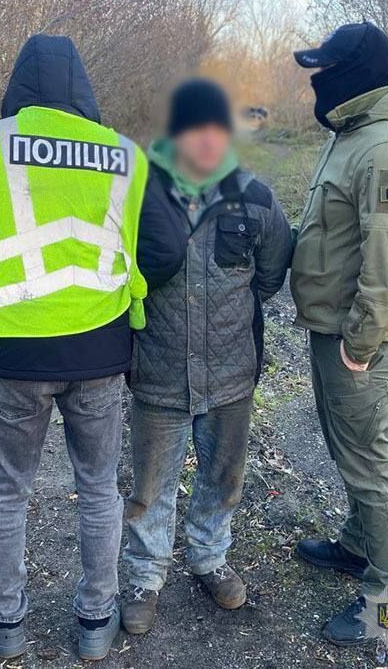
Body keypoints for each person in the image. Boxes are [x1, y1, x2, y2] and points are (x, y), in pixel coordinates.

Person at [0, 35, 148, 661]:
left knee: (7, 488)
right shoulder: (126, 156)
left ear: (19, 85)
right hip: (101, 350)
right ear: (84, 88)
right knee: (100, 487)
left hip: (17, 351)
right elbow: (155, 249)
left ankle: (5, 620)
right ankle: (97, 622)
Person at [120, 79, 292, 635]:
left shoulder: (256, 198)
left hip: (231, 374)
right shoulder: (138, 193)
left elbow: (271, 274)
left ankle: (209, 557)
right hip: (157, 370)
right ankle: (145, 576)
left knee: (223, 476)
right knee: (150, 486)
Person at [289, 23, 388, 646]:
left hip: (361, 345)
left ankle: (386, 609)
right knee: (350, 453)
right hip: (334, 332)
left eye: (327, 70)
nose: (318, 82)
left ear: (355, 74)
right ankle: (356, 545)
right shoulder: (355, 132)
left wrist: (360, 343)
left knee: (371, 468)